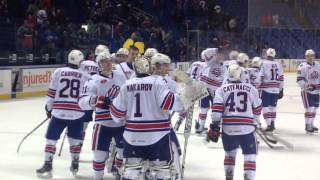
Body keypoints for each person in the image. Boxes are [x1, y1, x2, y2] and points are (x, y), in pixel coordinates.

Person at [110, 54, 185, 179]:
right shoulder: (158, 81)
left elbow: (116, 113)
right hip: (158, 136)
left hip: (132, 136)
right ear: (149, 68)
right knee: (161, 171)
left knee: (131, 172)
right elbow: (170, 103)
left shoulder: (127, 84)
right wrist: (185, 98)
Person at [36, 50, 90, 178]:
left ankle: (48, 164)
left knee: (51, 139)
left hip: (59, 112)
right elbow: (86, 98)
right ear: (80, 61)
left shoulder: (58, 72)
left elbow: (51, 95)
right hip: (77, 113)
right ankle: (75, 163)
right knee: (75, 141)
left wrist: (48, 109)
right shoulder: (85, 76)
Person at [207, 64, 262, 180]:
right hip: (247, 129)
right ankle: (248, 177)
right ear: (240, 75)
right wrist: (255, 122)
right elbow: (257, 110)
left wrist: (215, 125)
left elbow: (216, 110)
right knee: (250, 156)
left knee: (230, 154)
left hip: (228, 129)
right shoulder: (251, 89)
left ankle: (229, 176)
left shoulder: (221, 90)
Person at [79, 51, 127, 180]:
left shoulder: (120, 76)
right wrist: (96, 100)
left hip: (120, 122)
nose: (109, 63)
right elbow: (82, 102)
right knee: (99, 154)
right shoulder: (93, 80)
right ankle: (98, 177)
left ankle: (117, 168)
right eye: (105, 61)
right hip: (103, 123)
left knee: (123, 152)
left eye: (110, 60)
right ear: (99, 64)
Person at [197, 48, 226, 133]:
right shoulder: (210, 62)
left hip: (215, 91)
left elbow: (223, 80)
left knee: (216, 109)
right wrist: (216, 50)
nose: (221, 56)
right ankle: (200, 127)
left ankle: (215, 127)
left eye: (221, 55)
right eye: (219, 54)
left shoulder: (223, 67)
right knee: (204, 108)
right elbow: (204, 53)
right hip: (205, 88)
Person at [259, 48, 284, 132]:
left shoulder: (263, 63)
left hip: (266, 88)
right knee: (273, 107)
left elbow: (261, 76)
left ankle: (269, 124)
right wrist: (281, 89)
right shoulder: (278, 64)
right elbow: (281, 78)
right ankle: (272, 123)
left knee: (265, 107)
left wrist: (257, 86)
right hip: (276, 89)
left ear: (267, 54)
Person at [297, 49, 320, 133]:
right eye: (308, 56)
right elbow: (299, 79)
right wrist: (307, 86)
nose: (310, 57)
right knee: (310, 108)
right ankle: (307, 125)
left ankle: (311, 124)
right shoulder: (302, 66)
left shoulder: (317, 65)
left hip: (317, 92)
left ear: (314, 56)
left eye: (312, 55)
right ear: (306, 57)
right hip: (307, 92)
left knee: (315, 109)